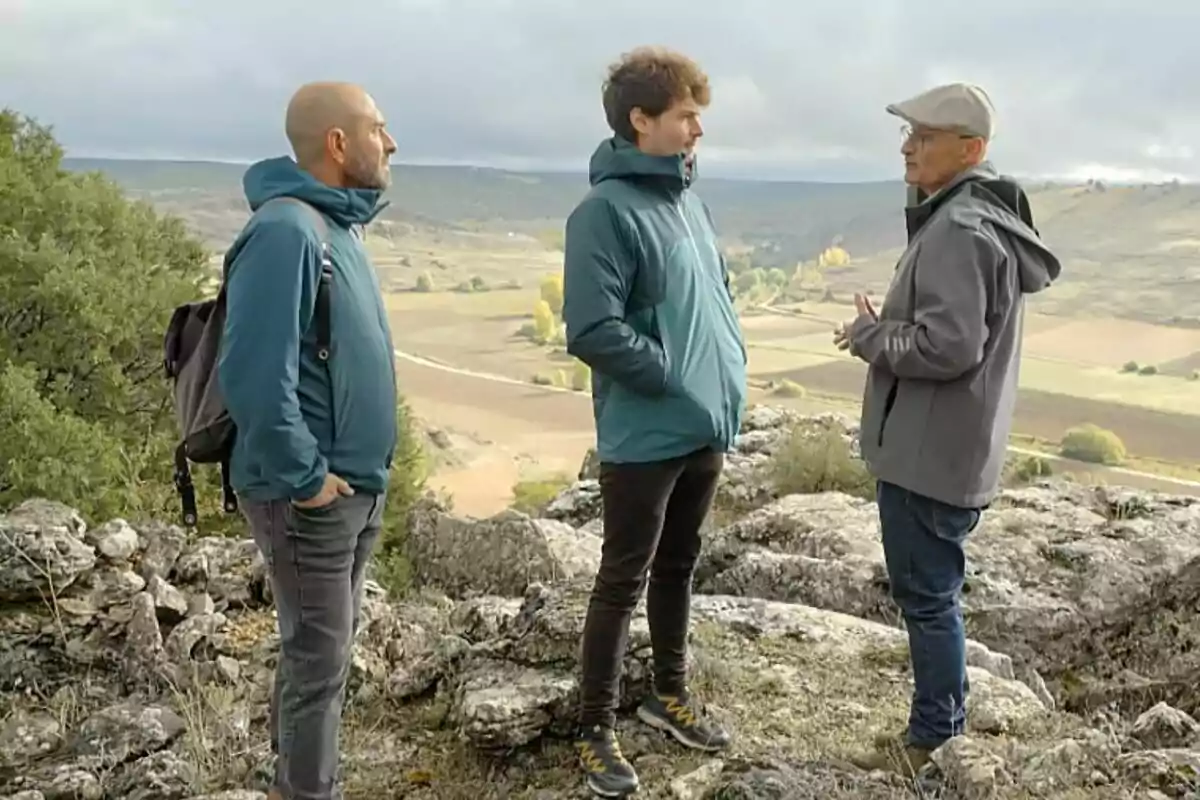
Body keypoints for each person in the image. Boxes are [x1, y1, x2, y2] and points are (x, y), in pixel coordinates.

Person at [834, 82, 1061, 774]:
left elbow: (949, 347)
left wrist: (874, 337)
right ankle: (940, 730)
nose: (907, 147)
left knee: (929, 602)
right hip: (950, 449)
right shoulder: (974, 217)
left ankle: (934, 742)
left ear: (972, 149)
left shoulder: (961, 229)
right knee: (934, 596)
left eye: (924, 137)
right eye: (908, 135)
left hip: (928, 457)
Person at [561, 46, 749, 798]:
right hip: (646, 432)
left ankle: (667, 695)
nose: (698, 128)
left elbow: (715, 300)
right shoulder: (603, 213)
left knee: (679, 565)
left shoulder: (688, 203)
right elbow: (593, 330)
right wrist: (672, 377)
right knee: (622, 579)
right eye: (684, 115)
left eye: (698, 114)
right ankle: (593, 729)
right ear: (641, 120)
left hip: (703, 424)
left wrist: (720, 376)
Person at [217, 81, 399, 800]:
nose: (390, 143)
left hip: (352, 488)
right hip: (310, 497)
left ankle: (293, 774)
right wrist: (306, 476)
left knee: (319, 654)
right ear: (337, 143)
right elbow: (253, 372)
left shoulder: (338, 229)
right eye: (378, 129)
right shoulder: (288, 231)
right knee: (320, 661)